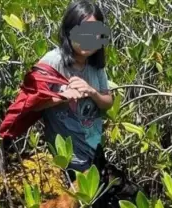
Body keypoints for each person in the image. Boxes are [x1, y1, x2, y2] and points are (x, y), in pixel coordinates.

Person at [34, 0, 113, 180]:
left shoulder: (96, 65)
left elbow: (108, 103)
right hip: (68, 157)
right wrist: (62, 97)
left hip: (94, 149)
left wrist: (92, 92)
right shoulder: (52, 62)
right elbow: (32, 104)